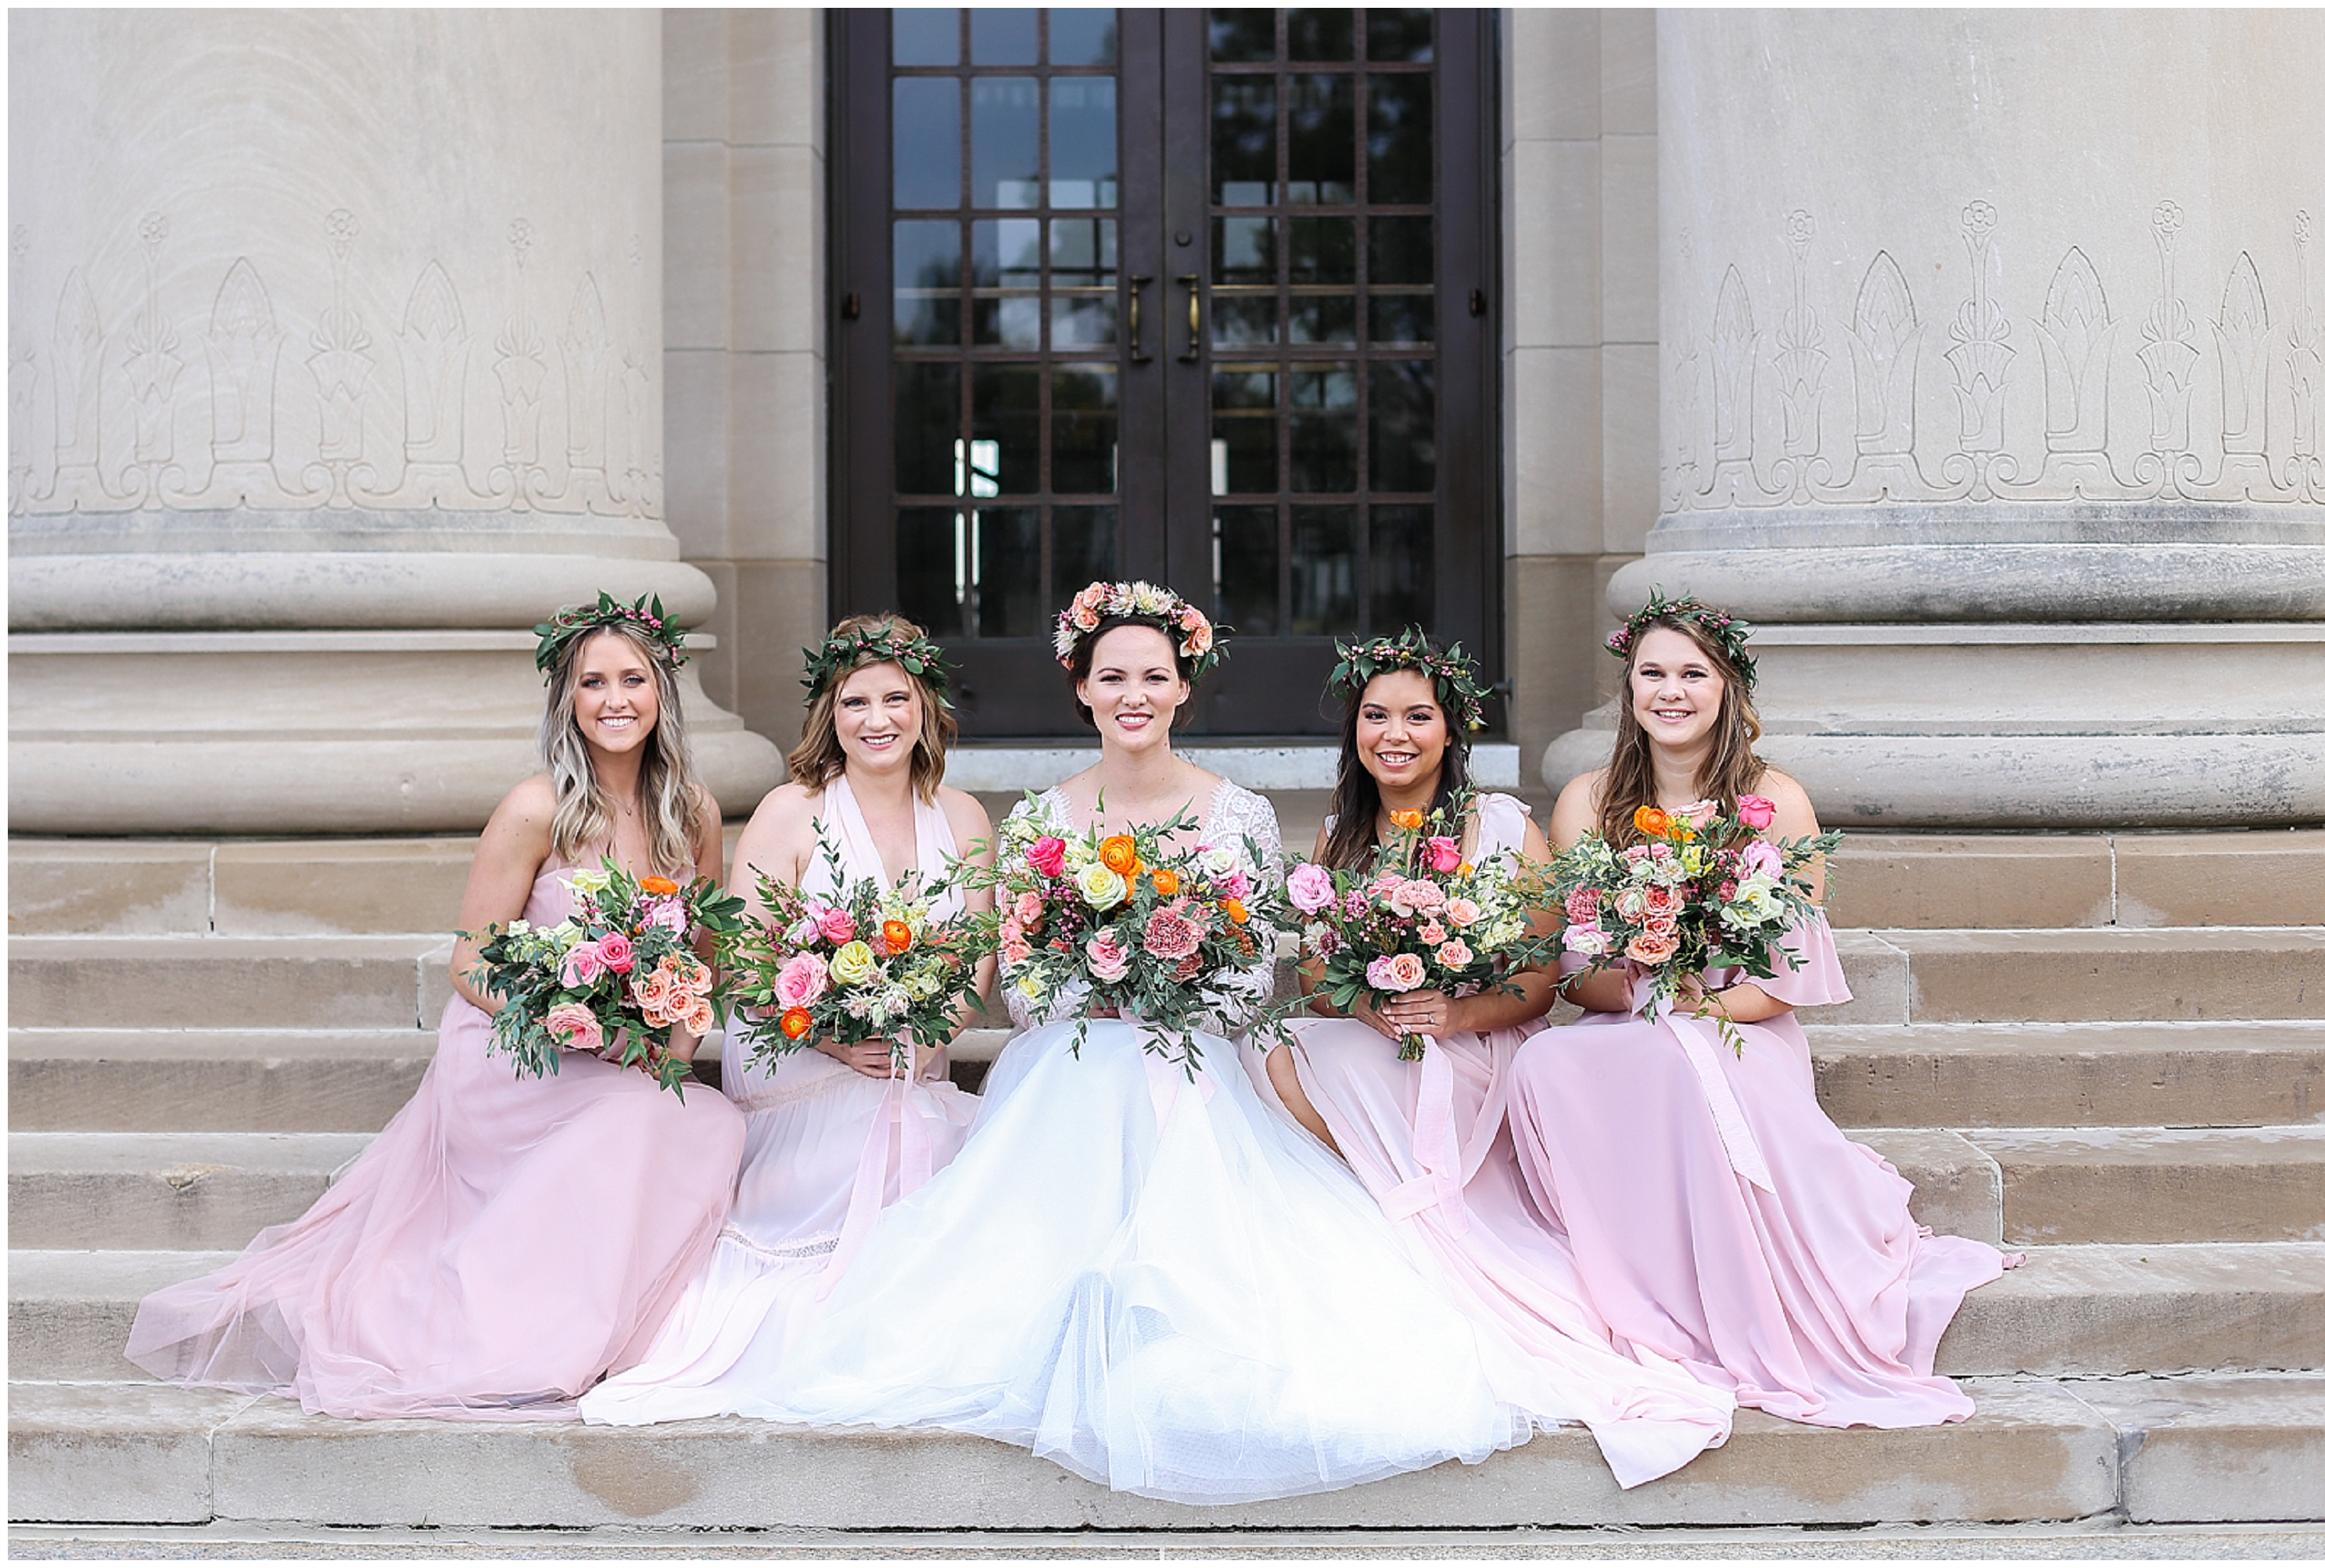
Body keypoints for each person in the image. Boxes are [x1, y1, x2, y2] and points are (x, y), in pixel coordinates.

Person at [747, 582, 1532, 1505]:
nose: (1134, 694)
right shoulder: (1041, 820)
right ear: (1080, 687)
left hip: (1195, 1053)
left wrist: (1171, 987)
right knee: (1096, 1075)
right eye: (1112, 675)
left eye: (1154, 676)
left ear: (1182, 689)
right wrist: (1109, 988)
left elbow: (1248, 982)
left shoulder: (1236, 815)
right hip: (1077, 1063)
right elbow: (1028, 982)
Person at [126, 595, 745, 1419]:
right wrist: (567, 1013)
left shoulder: (692, 812)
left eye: (632, 678)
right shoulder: (536, 809)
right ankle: (524, 1337)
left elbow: (699, 963)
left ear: (663, 689)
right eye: (592, 682)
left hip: (621, 1060)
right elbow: (469, 964)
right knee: (631, 1123)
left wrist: (668, 1057)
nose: (614, 699)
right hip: (516, 1051)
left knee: (702, 1120)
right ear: (567, 700)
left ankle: (585, 1325)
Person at [1508, 592, 2015, 1430]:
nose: (1671, 691)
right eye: (1652, 673)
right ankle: (1637, 1282)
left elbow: (1786, 975)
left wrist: (1706, 1004)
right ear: (1628, 688)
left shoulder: (1775, 802)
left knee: (1683, 1060)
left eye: (1692, 673)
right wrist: (1645, 974)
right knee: (1544, 1061)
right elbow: (1578, 977)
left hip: (1740, 1026)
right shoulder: (1586, 804)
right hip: (1632, 1016)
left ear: (1729, 688)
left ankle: (1734, 1288)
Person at [1244, 629, 1735, 1488]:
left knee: (1346, 1067)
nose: (1394, 734)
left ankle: (1424, 1233)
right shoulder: (1339, 839)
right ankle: (1378, 1232)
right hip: (1388, 1034)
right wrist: (1376, 1003)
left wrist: (1455, 1010)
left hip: (1481, 1046)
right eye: (1375, 716)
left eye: (1417, 716)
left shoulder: (1502, 825)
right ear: (1353, 730)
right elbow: (1319, 977)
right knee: (1267, 1046)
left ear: (1451, 730)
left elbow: (1546, 982)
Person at [582, 615, 994, 1425]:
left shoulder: (967, 815)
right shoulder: (790, 810)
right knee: (884, 1123)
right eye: (855, 702)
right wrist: (840, 1035)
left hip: (913, 1059)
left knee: (946, 1134)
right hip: (802, 1056)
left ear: (925, 705)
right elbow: (741, 966)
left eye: (894, 698)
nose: (876, 720)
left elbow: (976, 955)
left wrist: (930, 1033)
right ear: (829, 714)